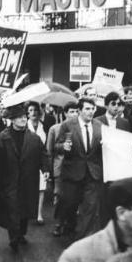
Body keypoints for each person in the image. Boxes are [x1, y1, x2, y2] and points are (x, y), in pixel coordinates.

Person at [0, 104, 50, 252]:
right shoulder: (3, 137)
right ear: (12, 120)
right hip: (9, 179)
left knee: (25, 208)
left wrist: (45, 169)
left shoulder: (34, 138)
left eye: (25, 117)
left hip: (28, 178)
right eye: (19, 118)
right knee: (12, 208)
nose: (23, 119)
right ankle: (13, 237)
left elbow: (43, 154)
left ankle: (21, 233)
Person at [53, 98, 105, 239]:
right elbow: (56, 146)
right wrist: (63, 147)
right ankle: (67, 224)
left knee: (90, 207)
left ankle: (83, 237)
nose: (90, 112)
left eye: (92, 109)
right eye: (87, 109)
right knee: (69, 203)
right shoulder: (68, 125)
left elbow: (103, 148)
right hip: (72, 172)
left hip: (92, 173)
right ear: (80, 110)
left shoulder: (99, 125)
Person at [46, 102, 80, 211]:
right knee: (59, 194)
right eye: (71, 112)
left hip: (75, 167)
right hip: (60, 165)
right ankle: (59, 221)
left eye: (76, 112)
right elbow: (50, 150)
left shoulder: (81, 128)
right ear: (65, 113)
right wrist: (49, 169)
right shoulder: (55, 128)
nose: (74, 114)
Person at [25, 101, 48, 224]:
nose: (33, 113)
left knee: (41, 189)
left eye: (35, 110)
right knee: (27, 189)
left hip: (40, 160)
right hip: (27, 161)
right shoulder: (24, 125)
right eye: (30, 110)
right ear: (27, 114)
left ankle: (39, 214)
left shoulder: (43, 126)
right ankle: (27, 211)